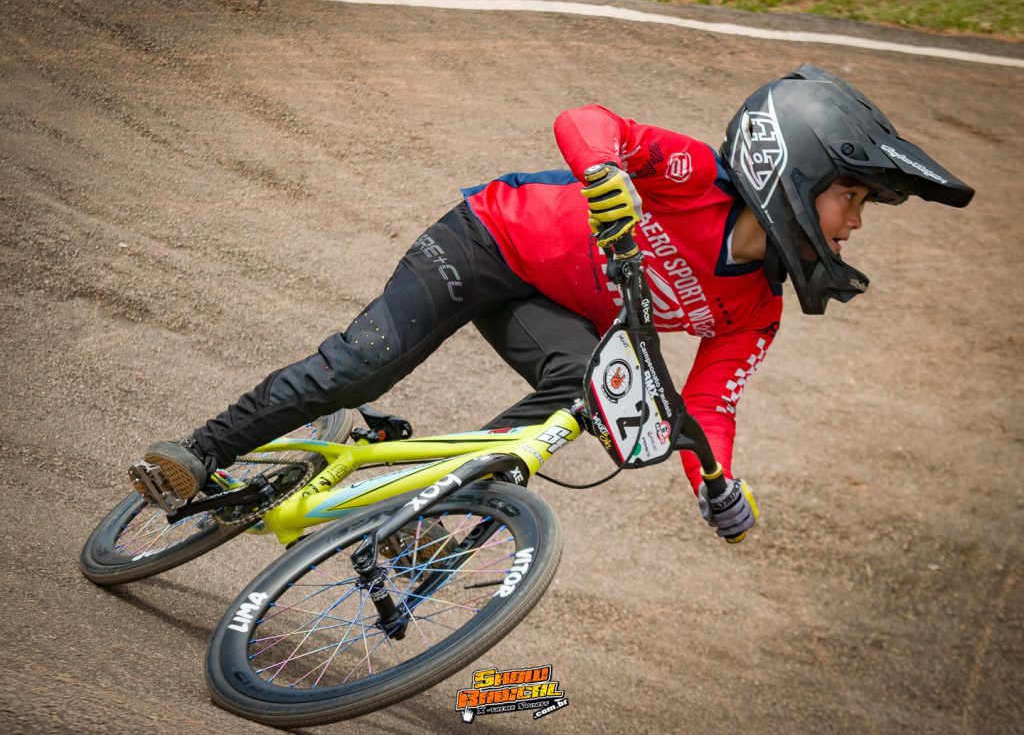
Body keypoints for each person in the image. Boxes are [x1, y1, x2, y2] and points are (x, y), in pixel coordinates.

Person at [135, 64, 973, 542]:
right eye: (852, 197)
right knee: (361, 366)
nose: (854, 223)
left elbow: (710, 408)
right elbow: (586, 118)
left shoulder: (756, 310)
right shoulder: (694, 175)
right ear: (799, 171)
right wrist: (606, 172)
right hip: (486, 243)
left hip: (552, 310)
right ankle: (197, 456)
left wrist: (715, 484)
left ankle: (419, 504)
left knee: (594, 399)